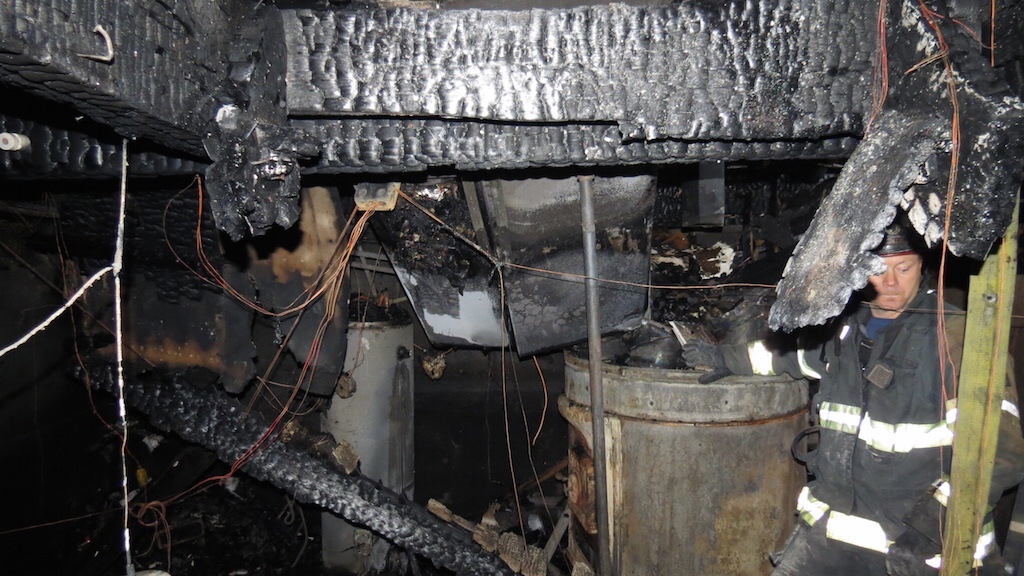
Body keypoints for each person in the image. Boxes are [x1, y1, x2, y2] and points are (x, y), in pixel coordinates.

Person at [682, 221, 1024, 575]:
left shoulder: (958, 339)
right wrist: (728, 358)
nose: (890, 282)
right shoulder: (844, 328)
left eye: (903, 268)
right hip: (837, 527)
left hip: (919, 544)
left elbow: (1001, 453)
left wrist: (932, 526)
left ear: (923, 265)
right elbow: (792, 356)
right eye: (878, 270)